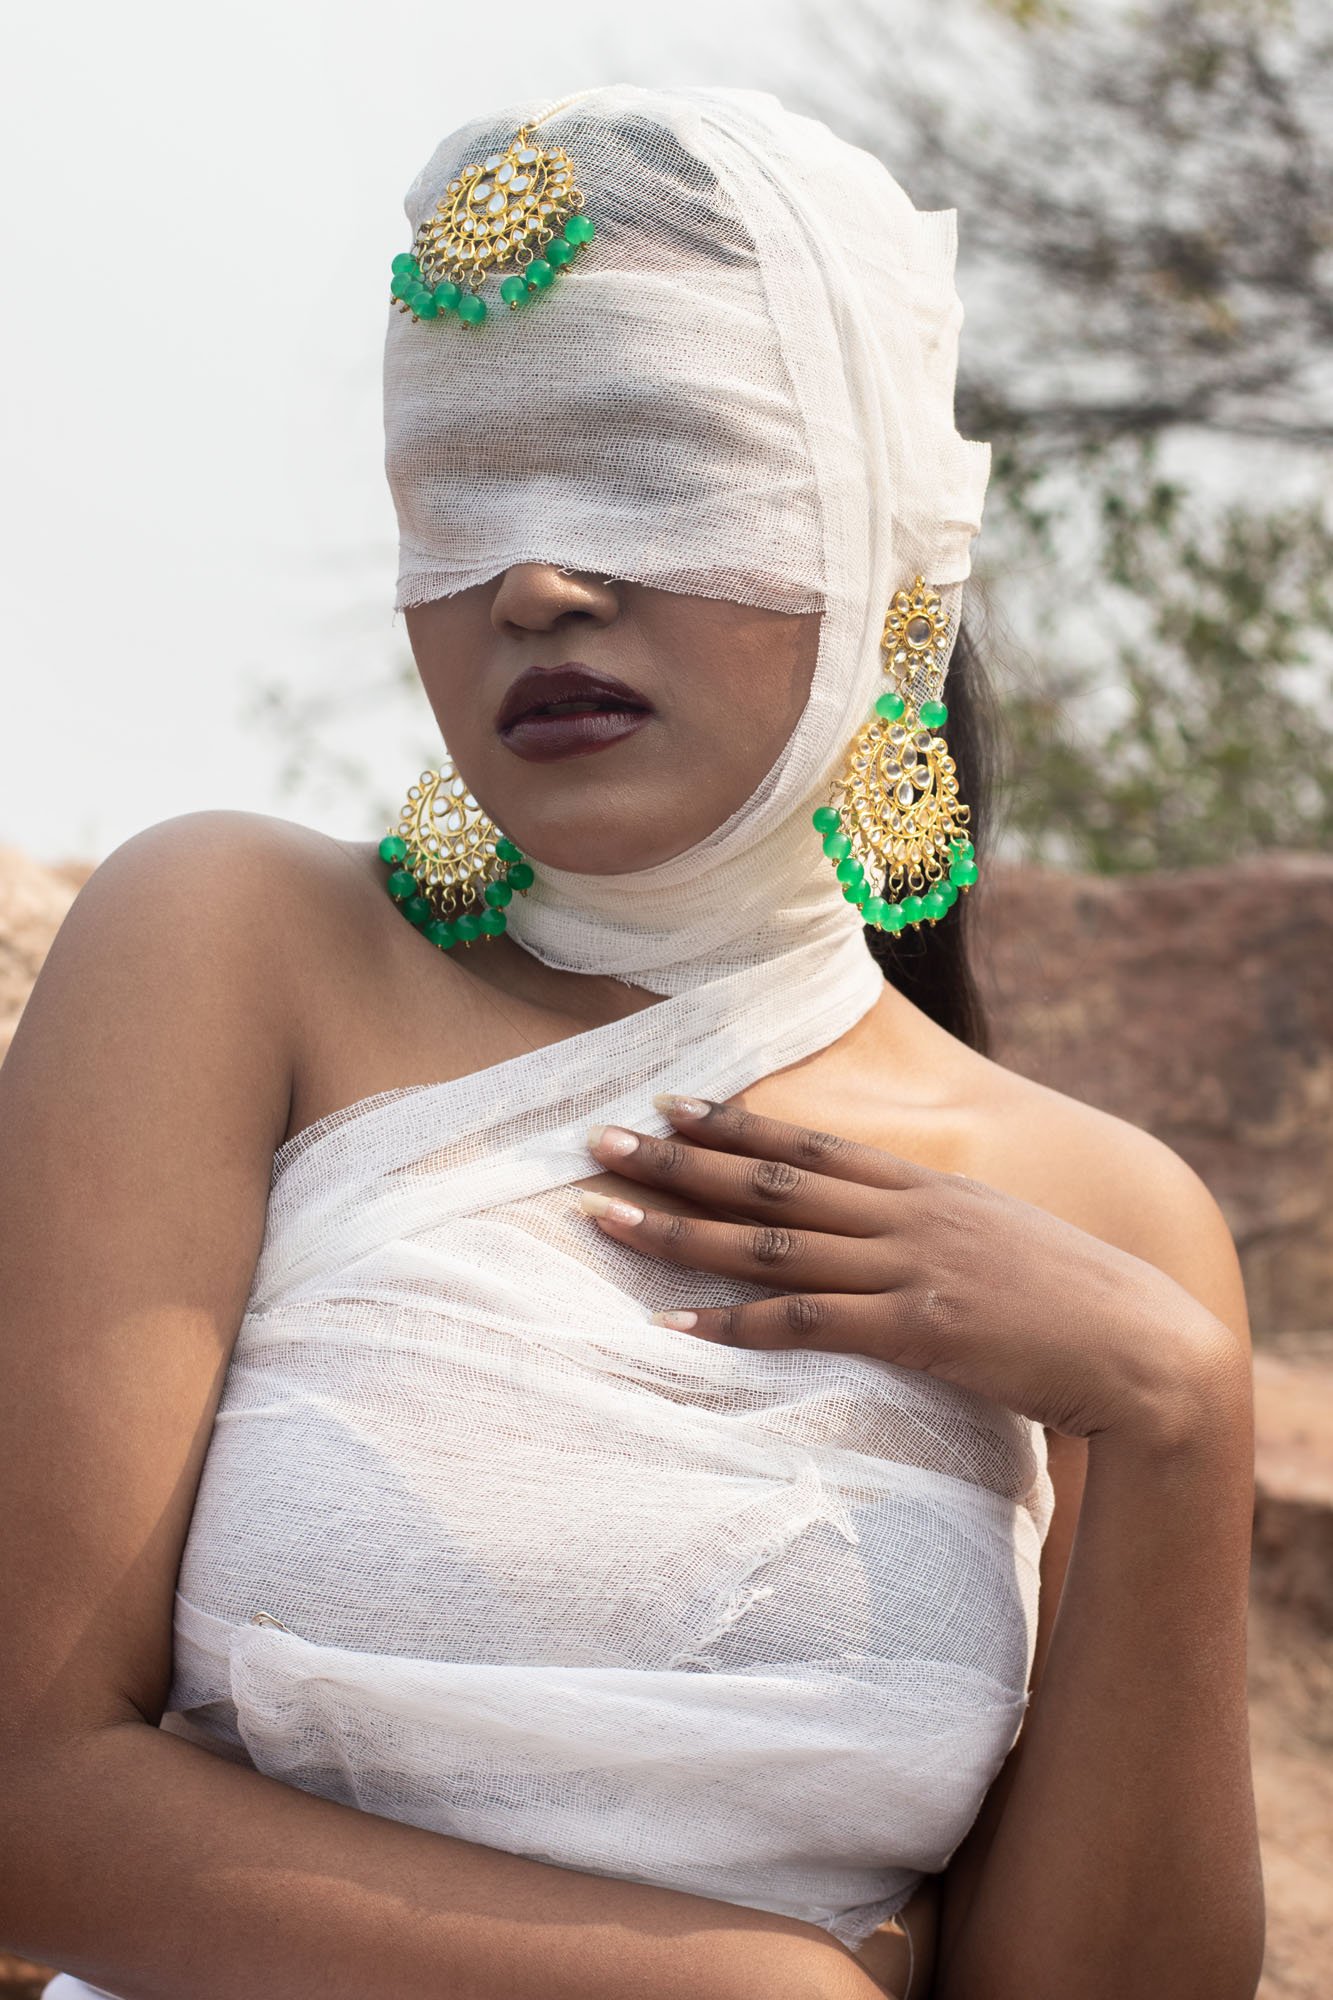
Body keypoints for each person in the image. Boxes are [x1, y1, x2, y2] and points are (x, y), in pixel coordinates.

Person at [1, 85, 1262, 2000]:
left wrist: (1172, 1417)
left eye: (648, 468)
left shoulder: (1107, 1223)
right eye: (462, 494)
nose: (534, 583)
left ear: (883, 543)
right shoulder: (230, 944)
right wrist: (752, 1985)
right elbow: (26, 1795)